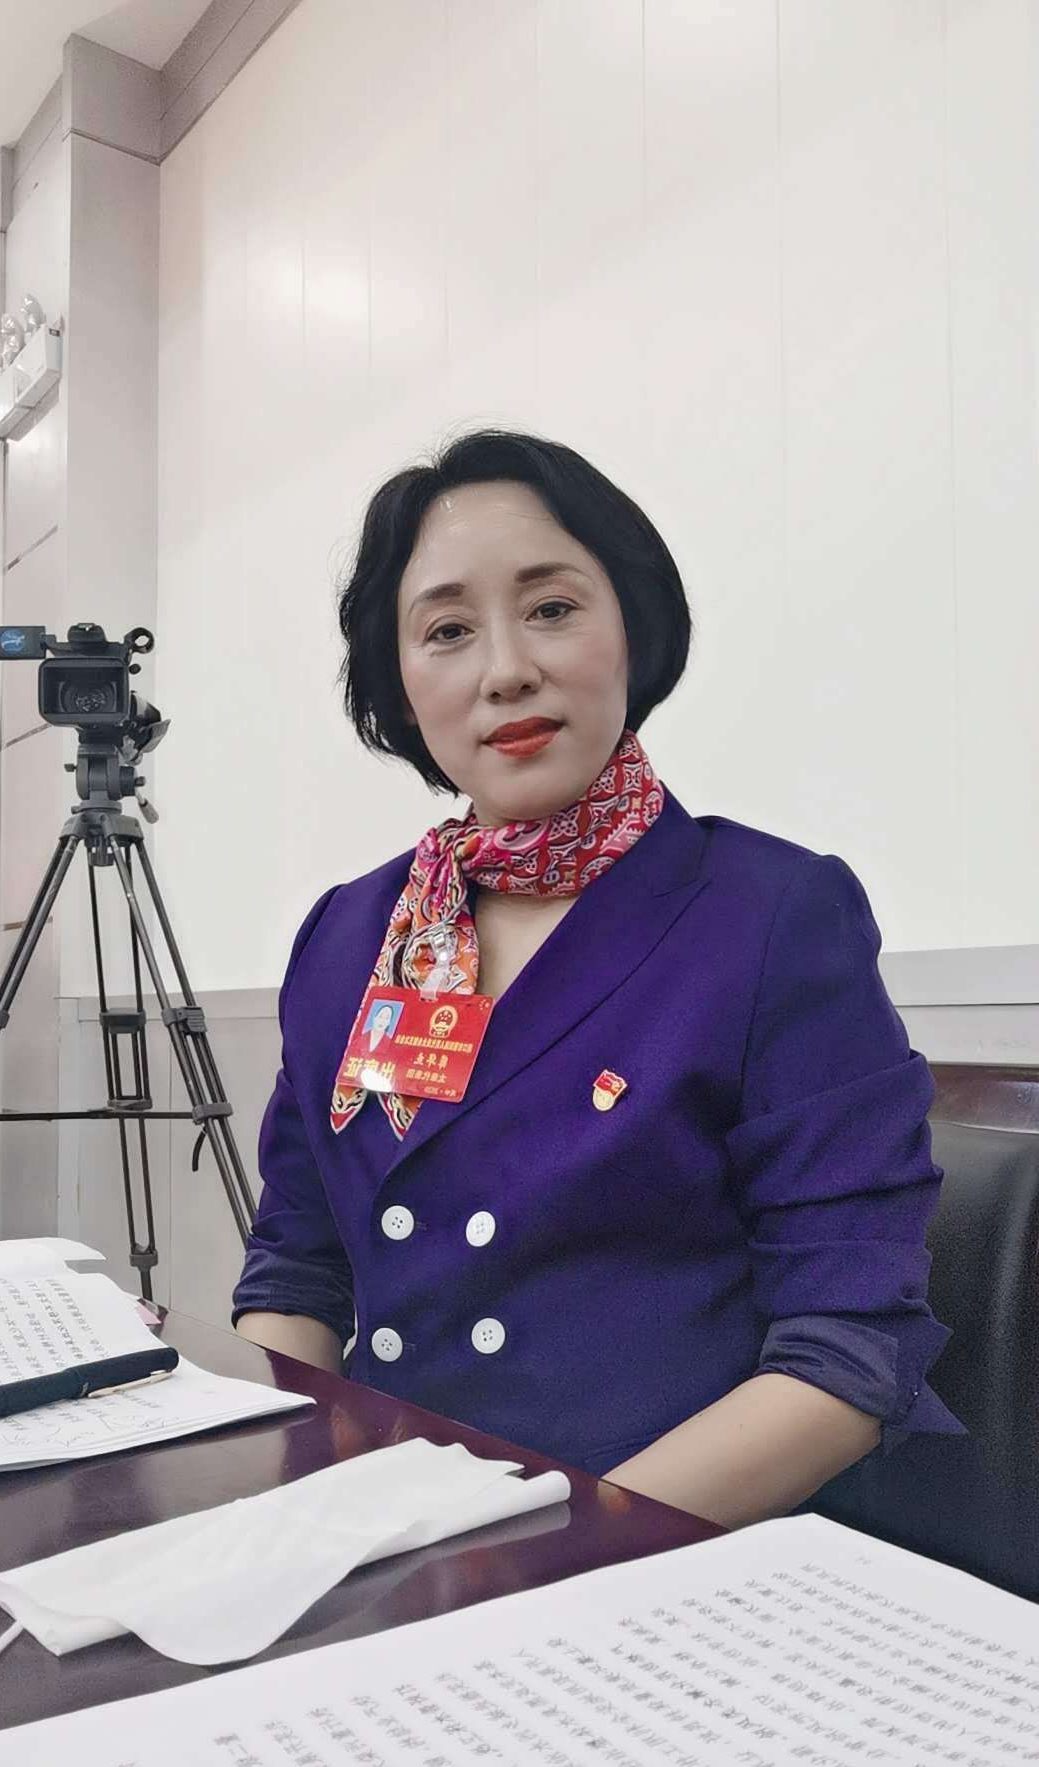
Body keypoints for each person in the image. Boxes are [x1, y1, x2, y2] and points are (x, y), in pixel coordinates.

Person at [232, 428, 962, 1528]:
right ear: (401, 683)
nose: (505, 669)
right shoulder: (347, 937)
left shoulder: (771, 915)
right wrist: (282, 1516)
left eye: (552, 607)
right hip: (383, 1532)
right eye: (446, 630)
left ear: (633, 628)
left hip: (658, 1553)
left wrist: (546, 1552)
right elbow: (298, 1269)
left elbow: (848, 1349)